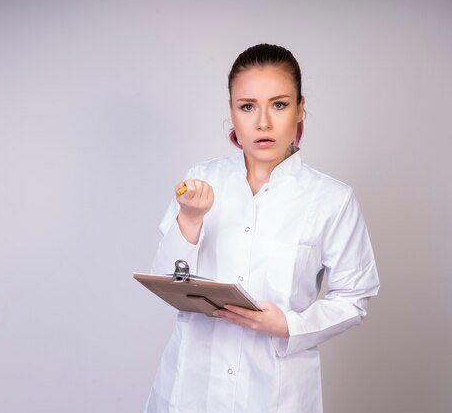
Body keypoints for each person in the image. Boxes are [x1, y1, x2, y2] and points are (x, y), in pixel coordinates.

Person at [145, 43, 380, 412]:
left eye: (280, 104)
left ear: (301, 108)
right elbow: (165, 278)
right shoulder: (202, 178)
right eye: (248, 106)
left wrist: (288, 325)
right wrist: (189, 219)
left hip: (276, 391)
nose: (263, 123)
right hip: (193, 385)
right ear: (232, 112)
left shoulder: (332, 199)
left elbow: (354, 297)